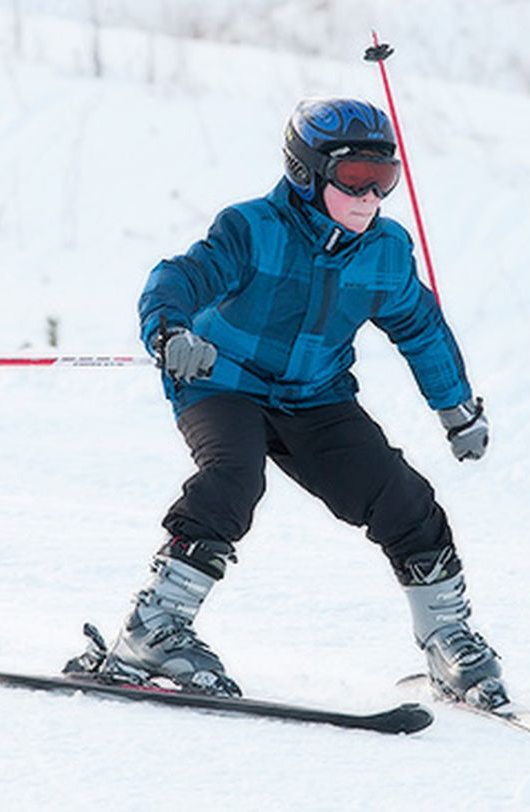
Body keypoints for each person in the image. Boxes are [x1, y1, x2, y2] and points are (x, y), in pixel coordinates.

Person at [94, 97, 505, 709]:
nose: (371, 197)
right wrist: (171, 332)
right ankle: (152, 630)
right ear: (305, 173)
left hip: (315, 396)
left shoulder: (385, 251)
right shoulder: (252, 228)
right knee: (233, 477)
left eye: (384, 179)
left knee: (404, 498)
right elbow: (178, 278)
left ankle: (449, 640)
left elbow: (420, 328)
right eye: (355, 179)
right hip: (220, 381)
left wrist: (455, 407)